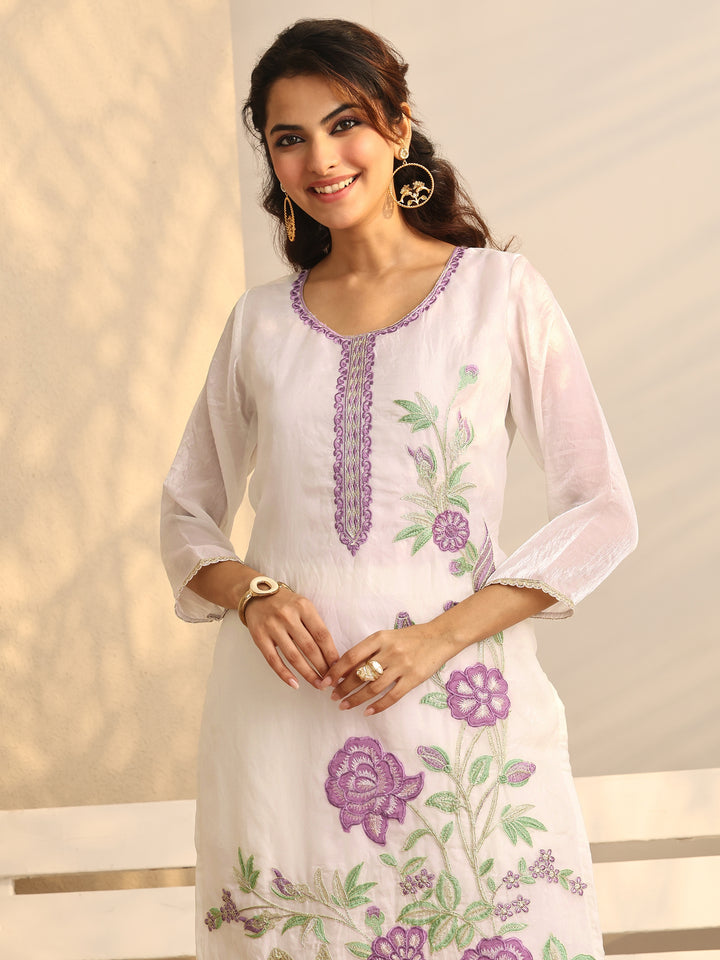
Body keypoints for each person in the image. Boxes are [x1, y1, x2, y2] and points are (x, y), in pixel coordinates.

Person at [161, 18, 637, 960]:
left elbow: (601, 510)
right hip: (279, 717)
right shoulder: (259, 324)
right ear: (272, 160)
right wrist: (254, 591)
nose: (321, 159)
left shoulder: (501, 293)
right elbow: (185, 516)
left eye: (345, 124)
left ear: (398, 127)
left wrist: (437, 639)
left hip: (461, 707)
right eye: (289, 138)